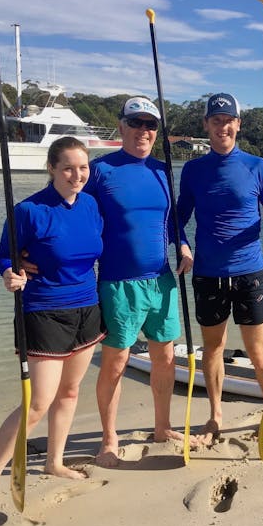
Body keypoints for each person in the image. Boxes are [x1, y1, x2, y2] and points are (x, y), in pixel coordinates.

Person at [0, 137, 105, 517]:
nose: (77, 175)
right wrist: (10, 275)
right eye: (68, 168)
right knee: (36, 403)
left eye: (83, 168)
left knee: (71, 392)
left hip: (87, 308)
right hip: (43, 312)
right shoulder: (28, 211)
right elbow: (3, 258)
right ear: (51, 168)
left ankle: (54, 461)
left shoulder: (91, 205)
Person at [176, 92, 263, 447]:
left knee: (258, 352)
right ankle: (215, 416)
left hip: (250, 272)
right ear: (206, 125)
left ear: (238, 124)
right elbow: (179, 218)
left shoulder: (257, 166)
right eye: (216, 120)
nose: (223, 126)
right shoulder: (193, 170)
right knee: (213, 349)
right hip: (208, 273)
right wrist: (182, 245)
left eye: (229, 120)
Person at [83, 96, 182, 467]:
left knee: (166, 357)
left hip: (161, 280)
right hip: (117, 283)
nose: (144, 131)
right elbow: (72, 215)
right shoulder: (99, 171)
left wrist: (184, 245)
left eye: (150, 125)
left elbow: (172, 223)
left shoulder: (162, 170)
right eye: (136, 123)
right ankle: (109, 439)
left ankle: (162, 426)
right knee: (115, 362)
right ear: (121, 126)